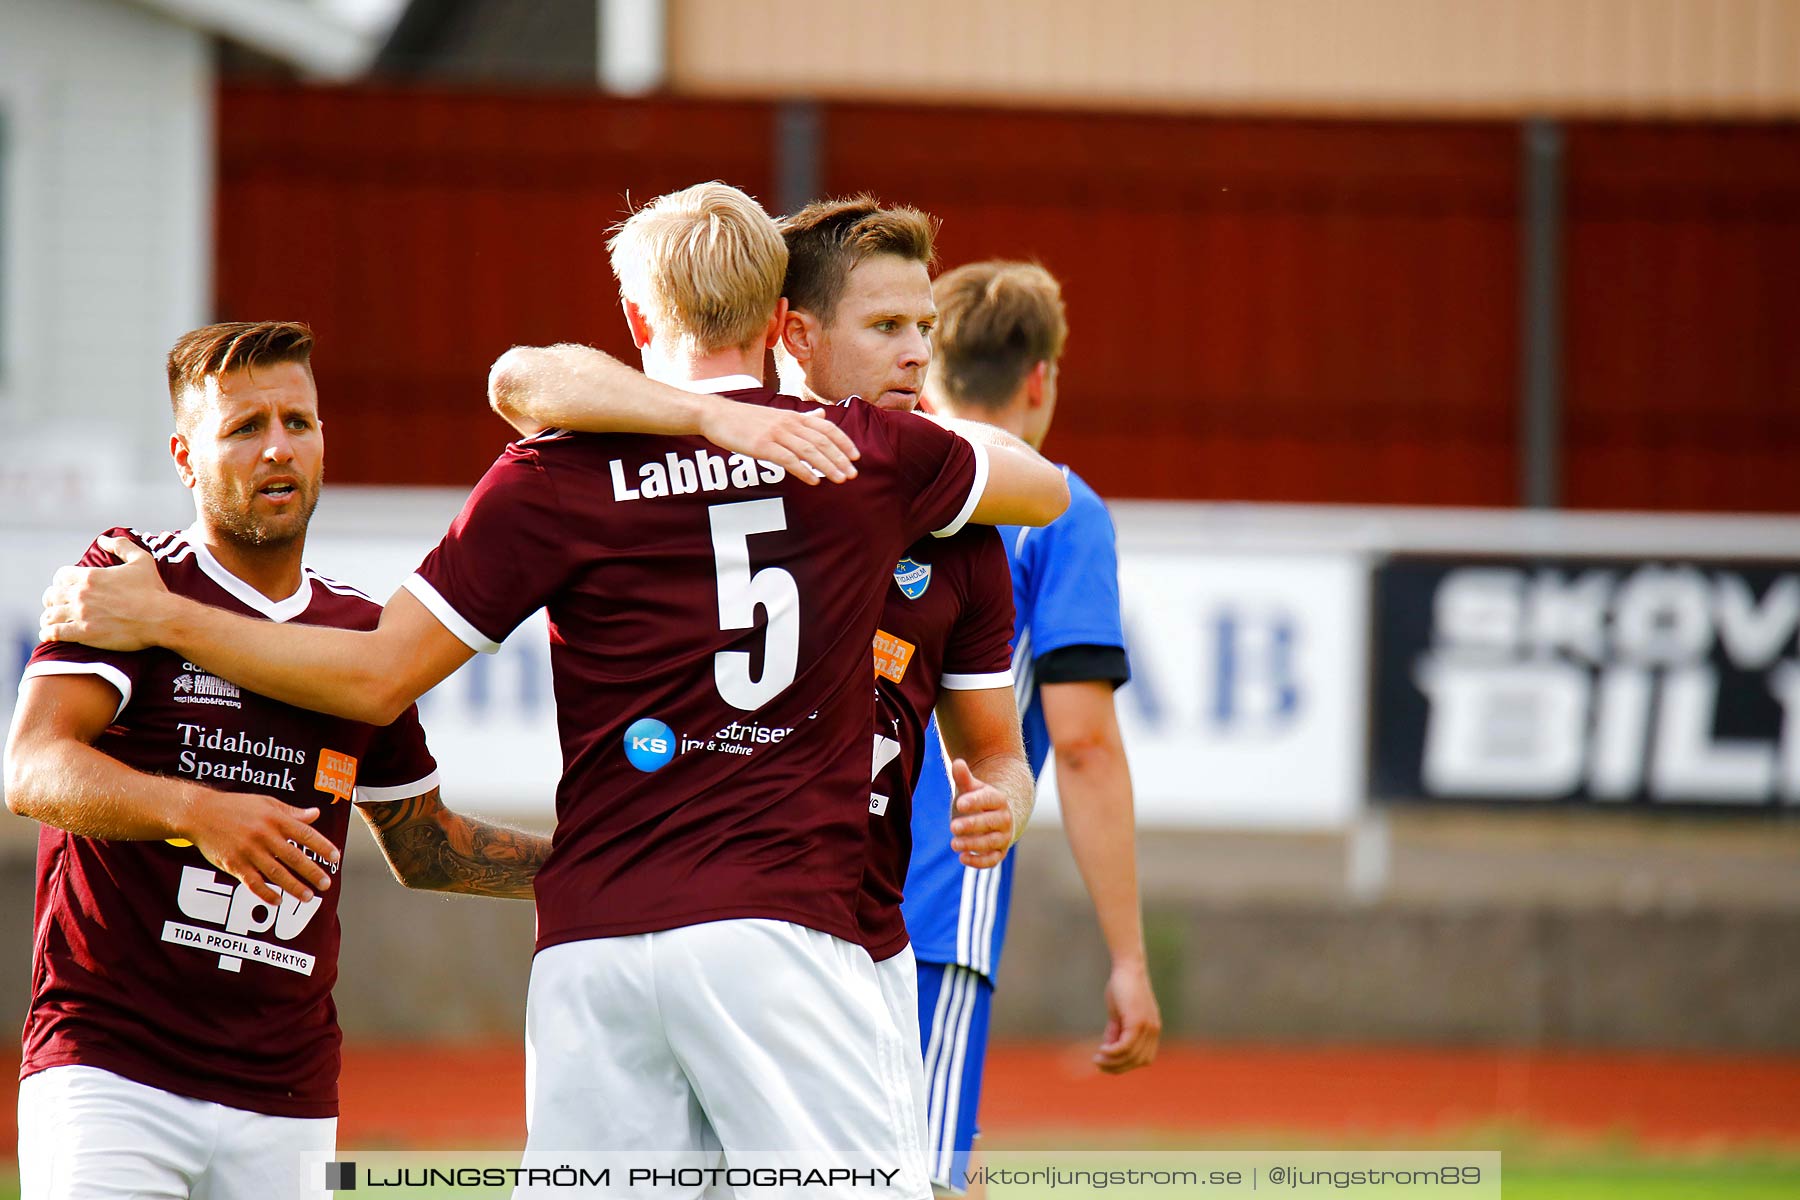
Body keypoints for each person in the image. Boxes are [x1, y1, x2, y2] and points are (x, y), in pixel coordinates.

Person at [39, 184, 1069, 1196]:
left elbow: (378, 670)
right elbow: (1047, 488)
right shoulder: (869, 455)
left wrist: (162, 618)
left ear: (632, 318)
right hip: (783, 929)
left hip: (596, 950)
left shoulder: (553, 471)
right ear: (775, 321)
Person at [493, 196, 1038, 1177]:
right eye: (886, 328)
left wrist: (1006, 797)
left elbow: (997, 742)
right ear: (791, 330)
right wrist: (700, 412)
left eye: (927, 329)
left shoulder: (946, 516)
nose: (919, 354)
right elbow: (523, 378)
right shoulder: (684, 465)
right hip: (730, 927)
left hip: (859, 939)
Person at [4, 321, 552, 1200]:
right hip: (111, 1071)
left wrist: (607, 867)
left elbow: (427, 846)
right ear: (186, 457)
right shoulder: (131, 580)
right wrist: (197, 811)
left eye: (298, 423)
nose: (277, 449)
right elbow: (30, 767)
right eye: (244, 428)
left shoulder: (360, 640)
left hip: (288, 1098)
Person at [902, 261, 1162, 1195]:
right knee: (927, 1175)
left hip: (792, 887)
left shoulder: (862, 474)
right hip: (937, 902)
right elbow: (1084, 745)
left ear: (925, 368)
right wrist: (1129, 959)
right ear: (1041, 378)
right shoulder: (1058, 510)